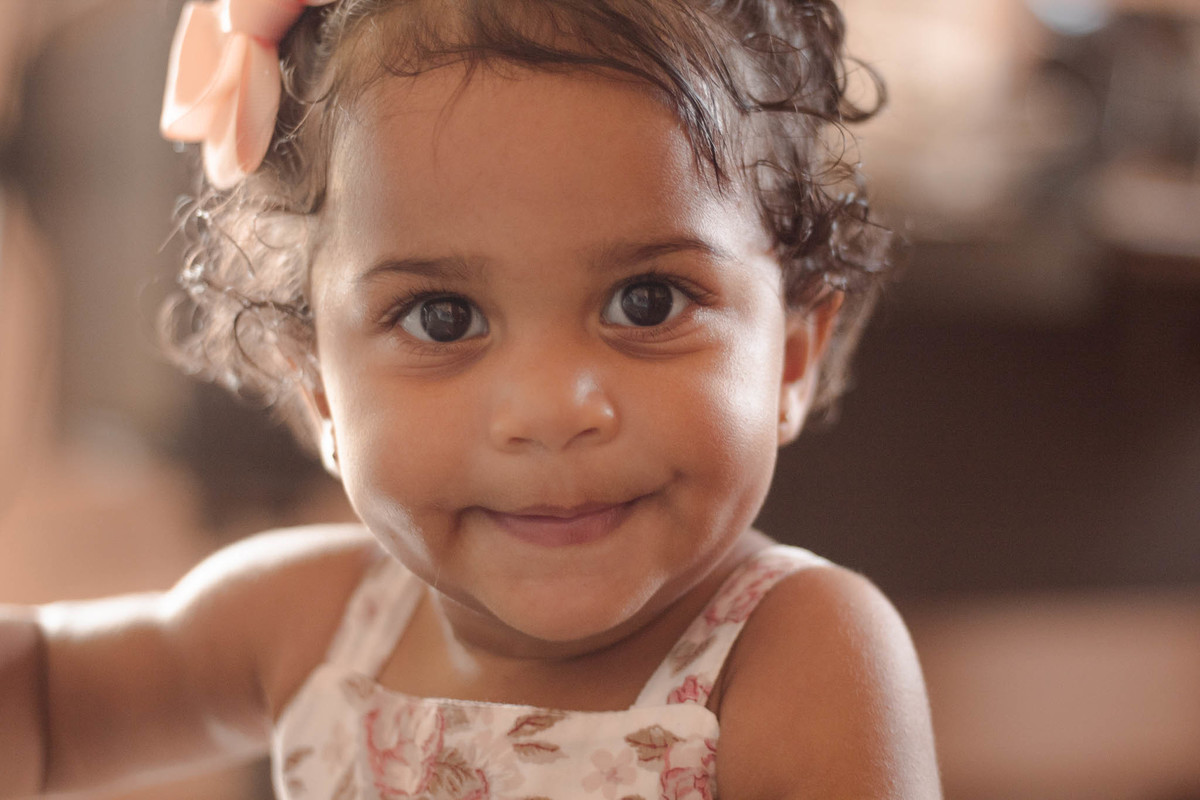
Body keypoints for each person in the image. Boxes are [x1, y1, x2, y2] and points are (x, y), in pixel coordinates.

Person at [0, 0, 941, 797]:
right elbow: (37, 697)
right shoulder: (309, 623)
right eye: (443, 318)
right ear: (315, 381)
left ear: (789, 355)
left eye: (645, 303)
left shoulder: (799, 657)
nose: (549, 408)